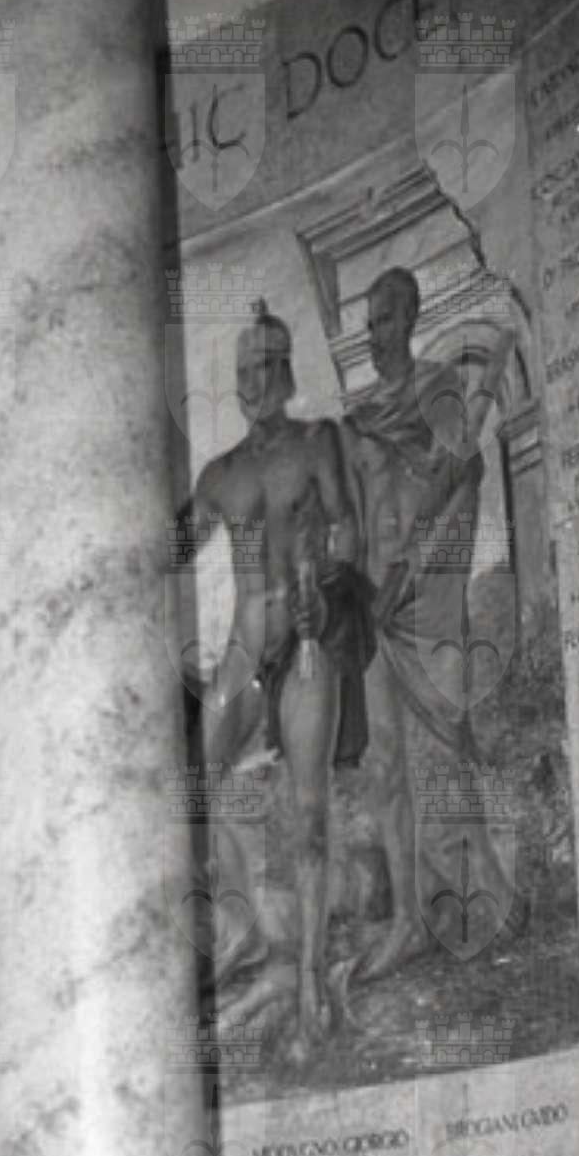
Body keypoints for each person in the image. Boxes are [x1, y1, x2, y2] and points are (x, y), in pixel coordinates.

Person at [173, 302, 370, 1056]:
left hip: (308, 641)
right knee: (192, 786)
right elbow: (170, 547)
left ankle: (312, 977)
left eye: (263, 368)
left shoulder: (317, 442)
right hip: (244, 648)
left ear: (286, 373)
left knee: (308, 812)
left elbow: (347, 526)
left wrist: (332, 577)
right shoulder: (221, 474)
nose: (252, 384)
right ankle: (240, 931)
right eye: (243, 372)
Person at [342, 266, 515, 984]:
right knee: (385, 763)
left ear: (410, 318)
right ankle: (410, 921)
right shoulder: (358, 418)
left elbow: (459, 480)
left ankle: (480, 902)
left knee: (440, 754)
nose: (375, 333)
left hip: (422, 605)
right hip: (373, 606)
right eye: (369, 322)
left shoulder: (437, 387)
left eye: (385, 319)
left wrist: (417, 575)